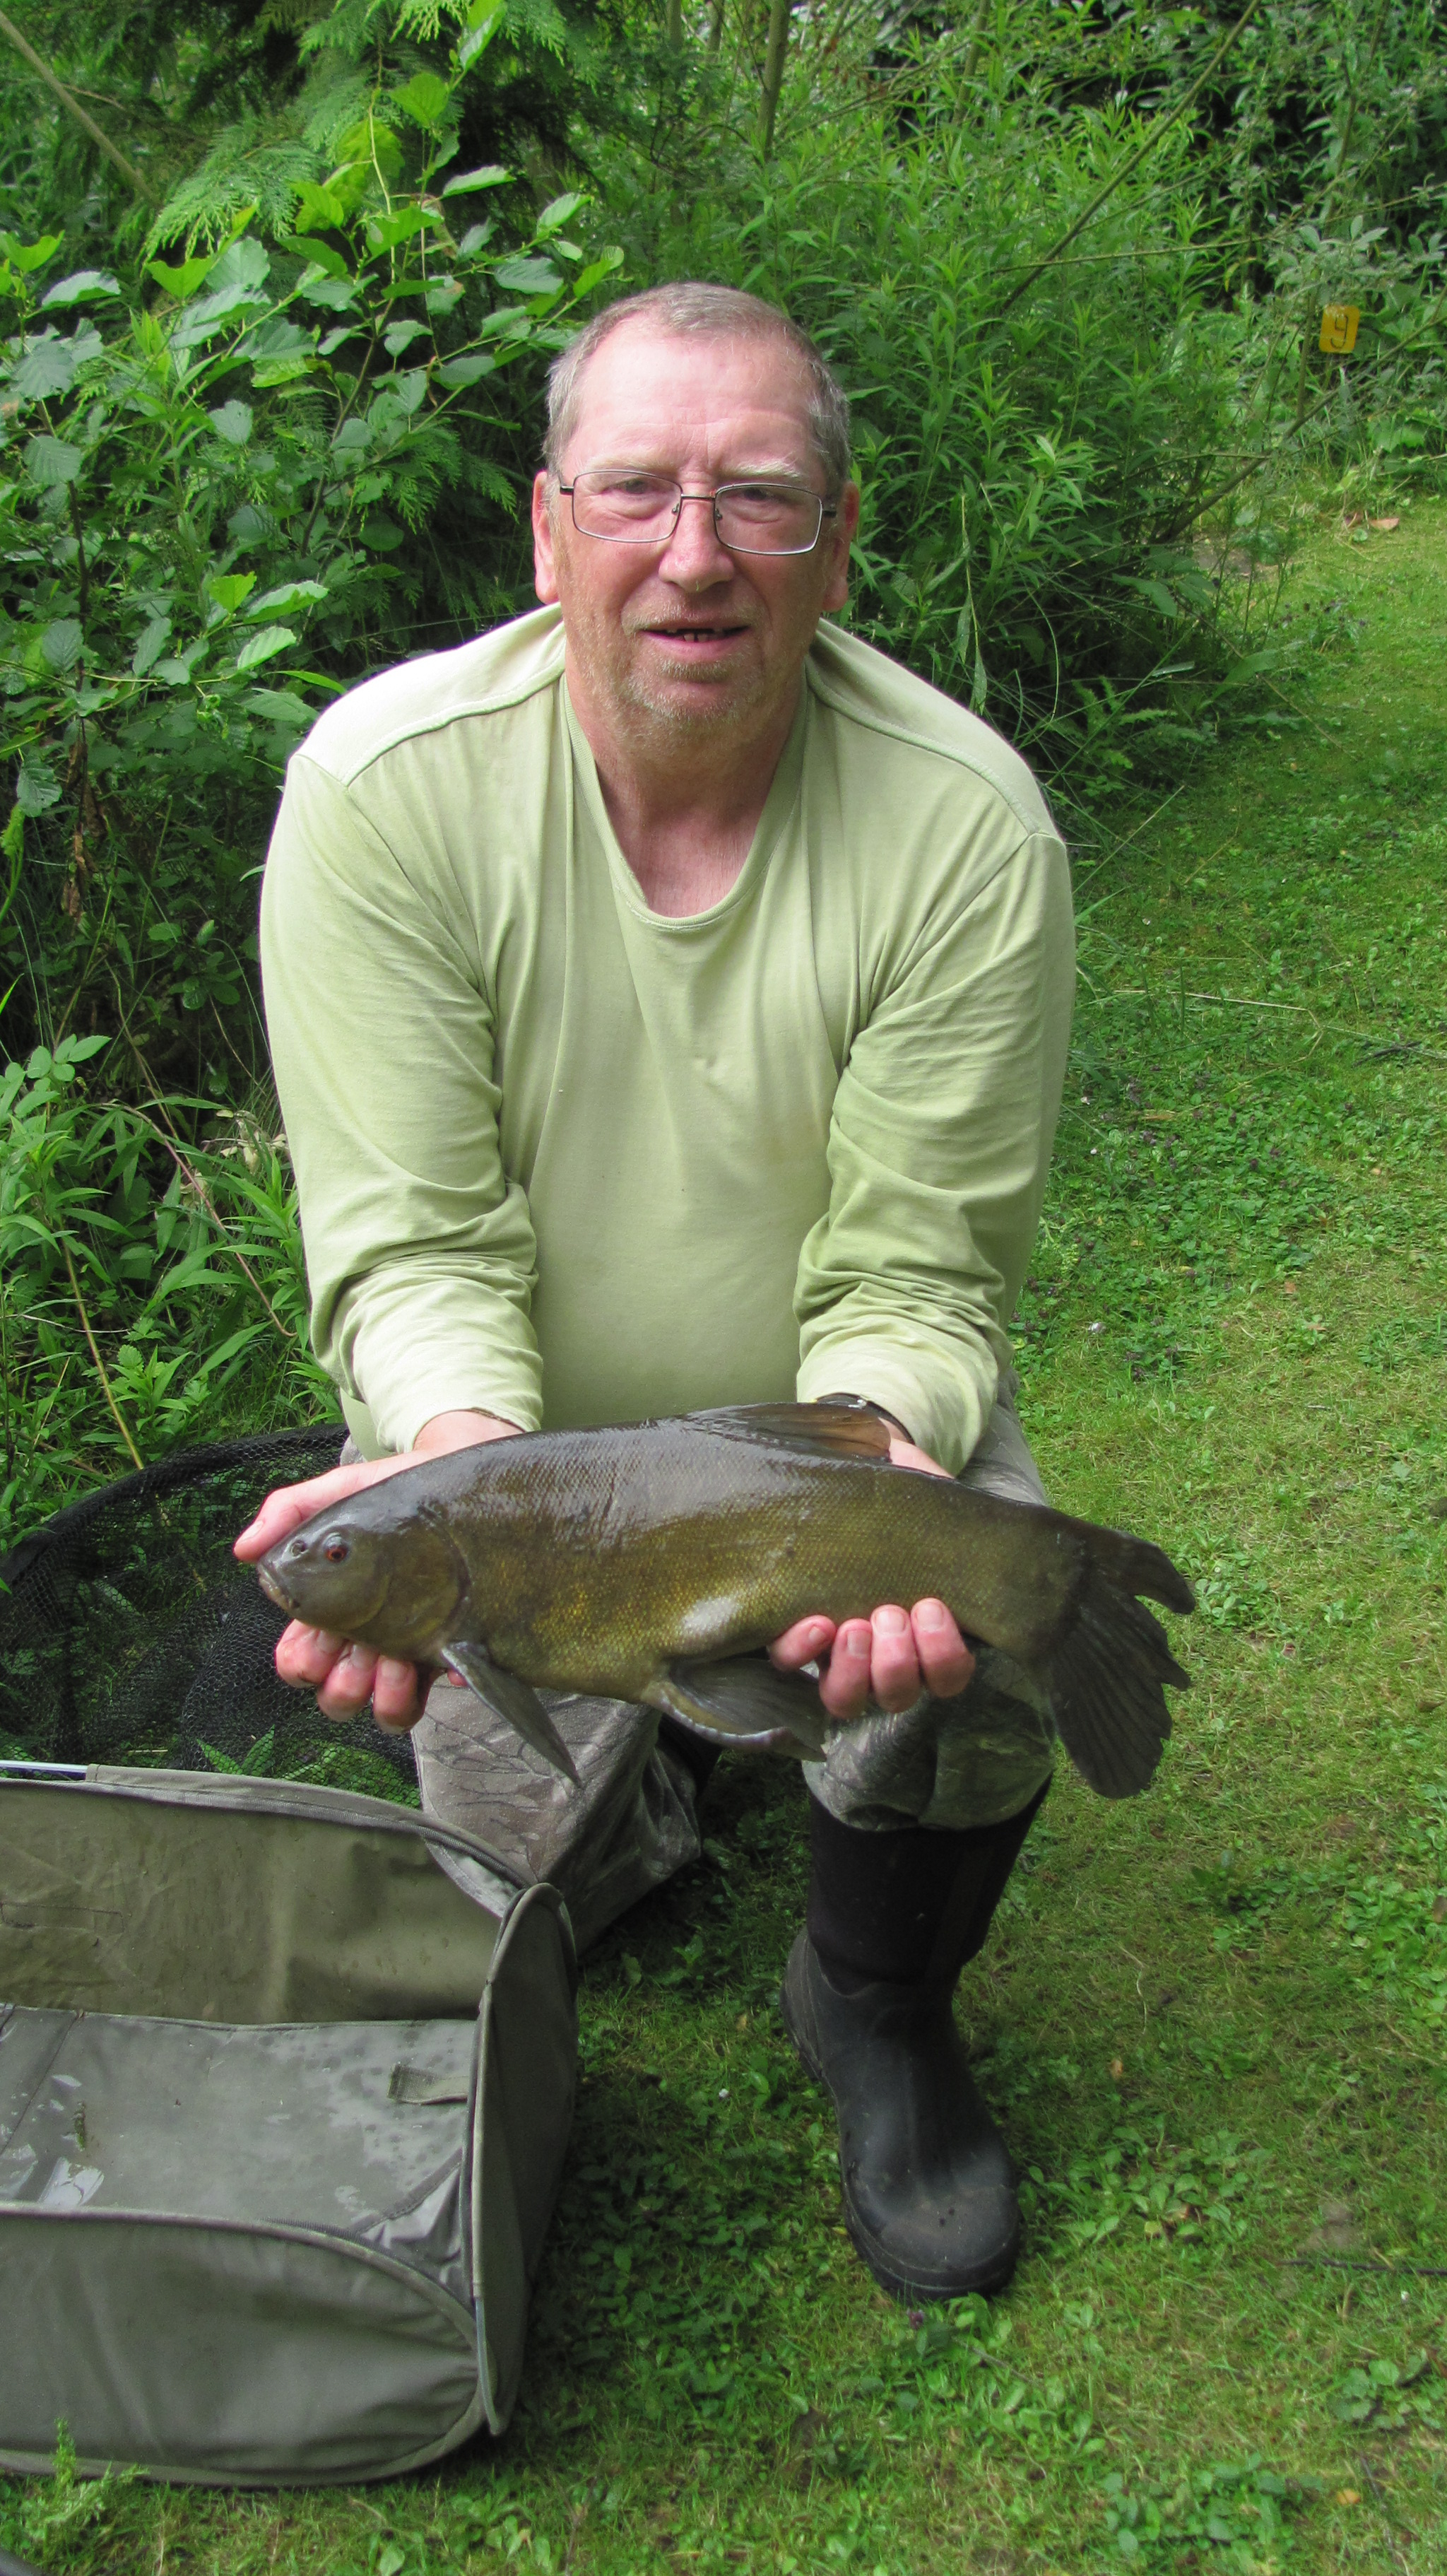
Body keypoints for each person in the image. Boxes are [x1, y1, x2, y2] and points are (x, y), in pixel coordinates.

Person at [235, 282, 1074, 2306]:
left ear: (836, 546)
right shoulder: (382, 791)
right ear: (550, 532)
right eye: (635, 491)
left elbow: (916, 1267)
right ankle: (635, 1801)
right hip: (503, 1447)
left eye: (759, 498)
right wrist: (466, 1470)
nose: (695, 553)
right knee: (518, 1822)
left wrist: (876, 1456)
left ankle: (874, 2000)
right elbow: (415, 1249)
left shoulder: (968, 826)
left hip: (816, 1434)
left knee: (986, 1628)